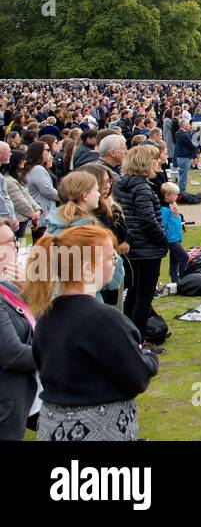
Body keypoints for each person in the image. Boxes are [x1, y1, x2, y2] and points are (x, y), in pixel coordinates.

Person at [28, 224, 159, 440]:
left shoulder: (47, 315)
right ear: (88, 268)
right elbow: (137, 376)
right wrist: (150, 358)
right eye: (110, 259)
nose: (114, 262)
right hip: (98, 430)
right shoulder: (105, 319)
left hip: (52, 427)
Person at [115, 144, 167, 354]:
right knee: (143, 295)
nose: (159, 163)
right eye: (155, 160)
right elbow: (148, 219)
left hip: (136, 245)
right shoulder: (142, 188)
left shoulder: (125, 185)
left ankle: (128, 336)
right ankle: (137, 341)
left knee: (135, 293)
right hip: (147, 246)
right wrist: (163, 238)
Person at [0, 220, 37, 440]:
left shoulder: (8, 286)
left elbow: (35, 321)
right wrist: (54, 355)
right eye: (10, 242)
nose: (16, 247)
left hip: (26, 392)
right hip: (7, 398)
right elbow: (12, 354)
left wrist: (27, 289)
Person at [160, 182, 187, 284]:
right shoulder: (164, 209)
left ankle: (175, 281)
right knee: (184, 257)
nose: (177, 196)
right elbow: (162, 224)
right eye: (175, 194)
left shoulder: (173, 206)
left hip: (177, 237)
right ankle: (184, 279)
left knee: (174, 261)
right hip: (171, 239)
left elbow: (176, 219)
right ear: (167, 195)